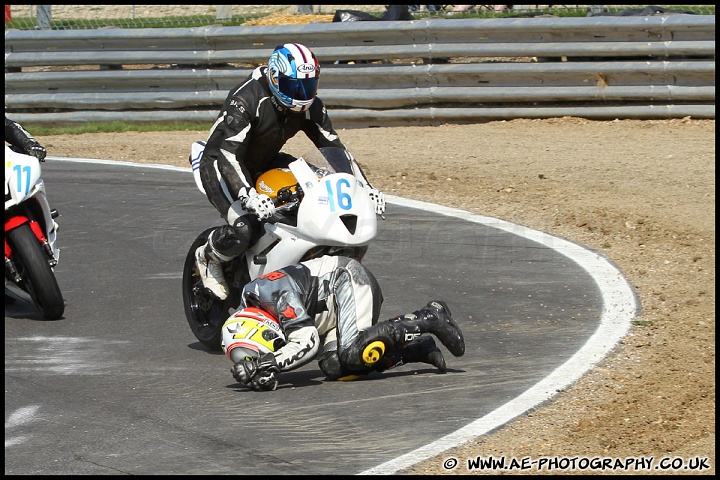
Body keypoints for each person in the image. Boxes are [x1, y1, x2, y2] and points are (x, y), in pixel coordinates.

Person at [194, 42, 386, 301]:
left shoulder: (310, 106)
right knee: (246, 227)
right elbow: (230, 154)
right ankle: (209, 256)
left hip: (267, 160)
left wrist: (365, 187)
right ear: (274, 77)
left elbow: (333, 147)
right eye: (294, 86)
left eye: (307, 86)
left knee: (316, 192)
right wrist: (248, 195)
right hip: (221, 166)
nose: (301, 93)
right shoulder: (247, 99)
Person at [220, 255, 465, 391]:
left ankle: (430, 316)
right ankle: (417, 348)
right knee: (336, 367)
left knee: (351, 352)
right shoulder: (252, 309)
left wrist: (269, 364)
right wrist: (261, 373)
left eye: (261, 351)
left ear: (261, 330)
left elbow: (308, 342)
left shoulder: (272, 294)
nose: (266, 353)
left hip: (347, 280)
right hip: (331, 313)